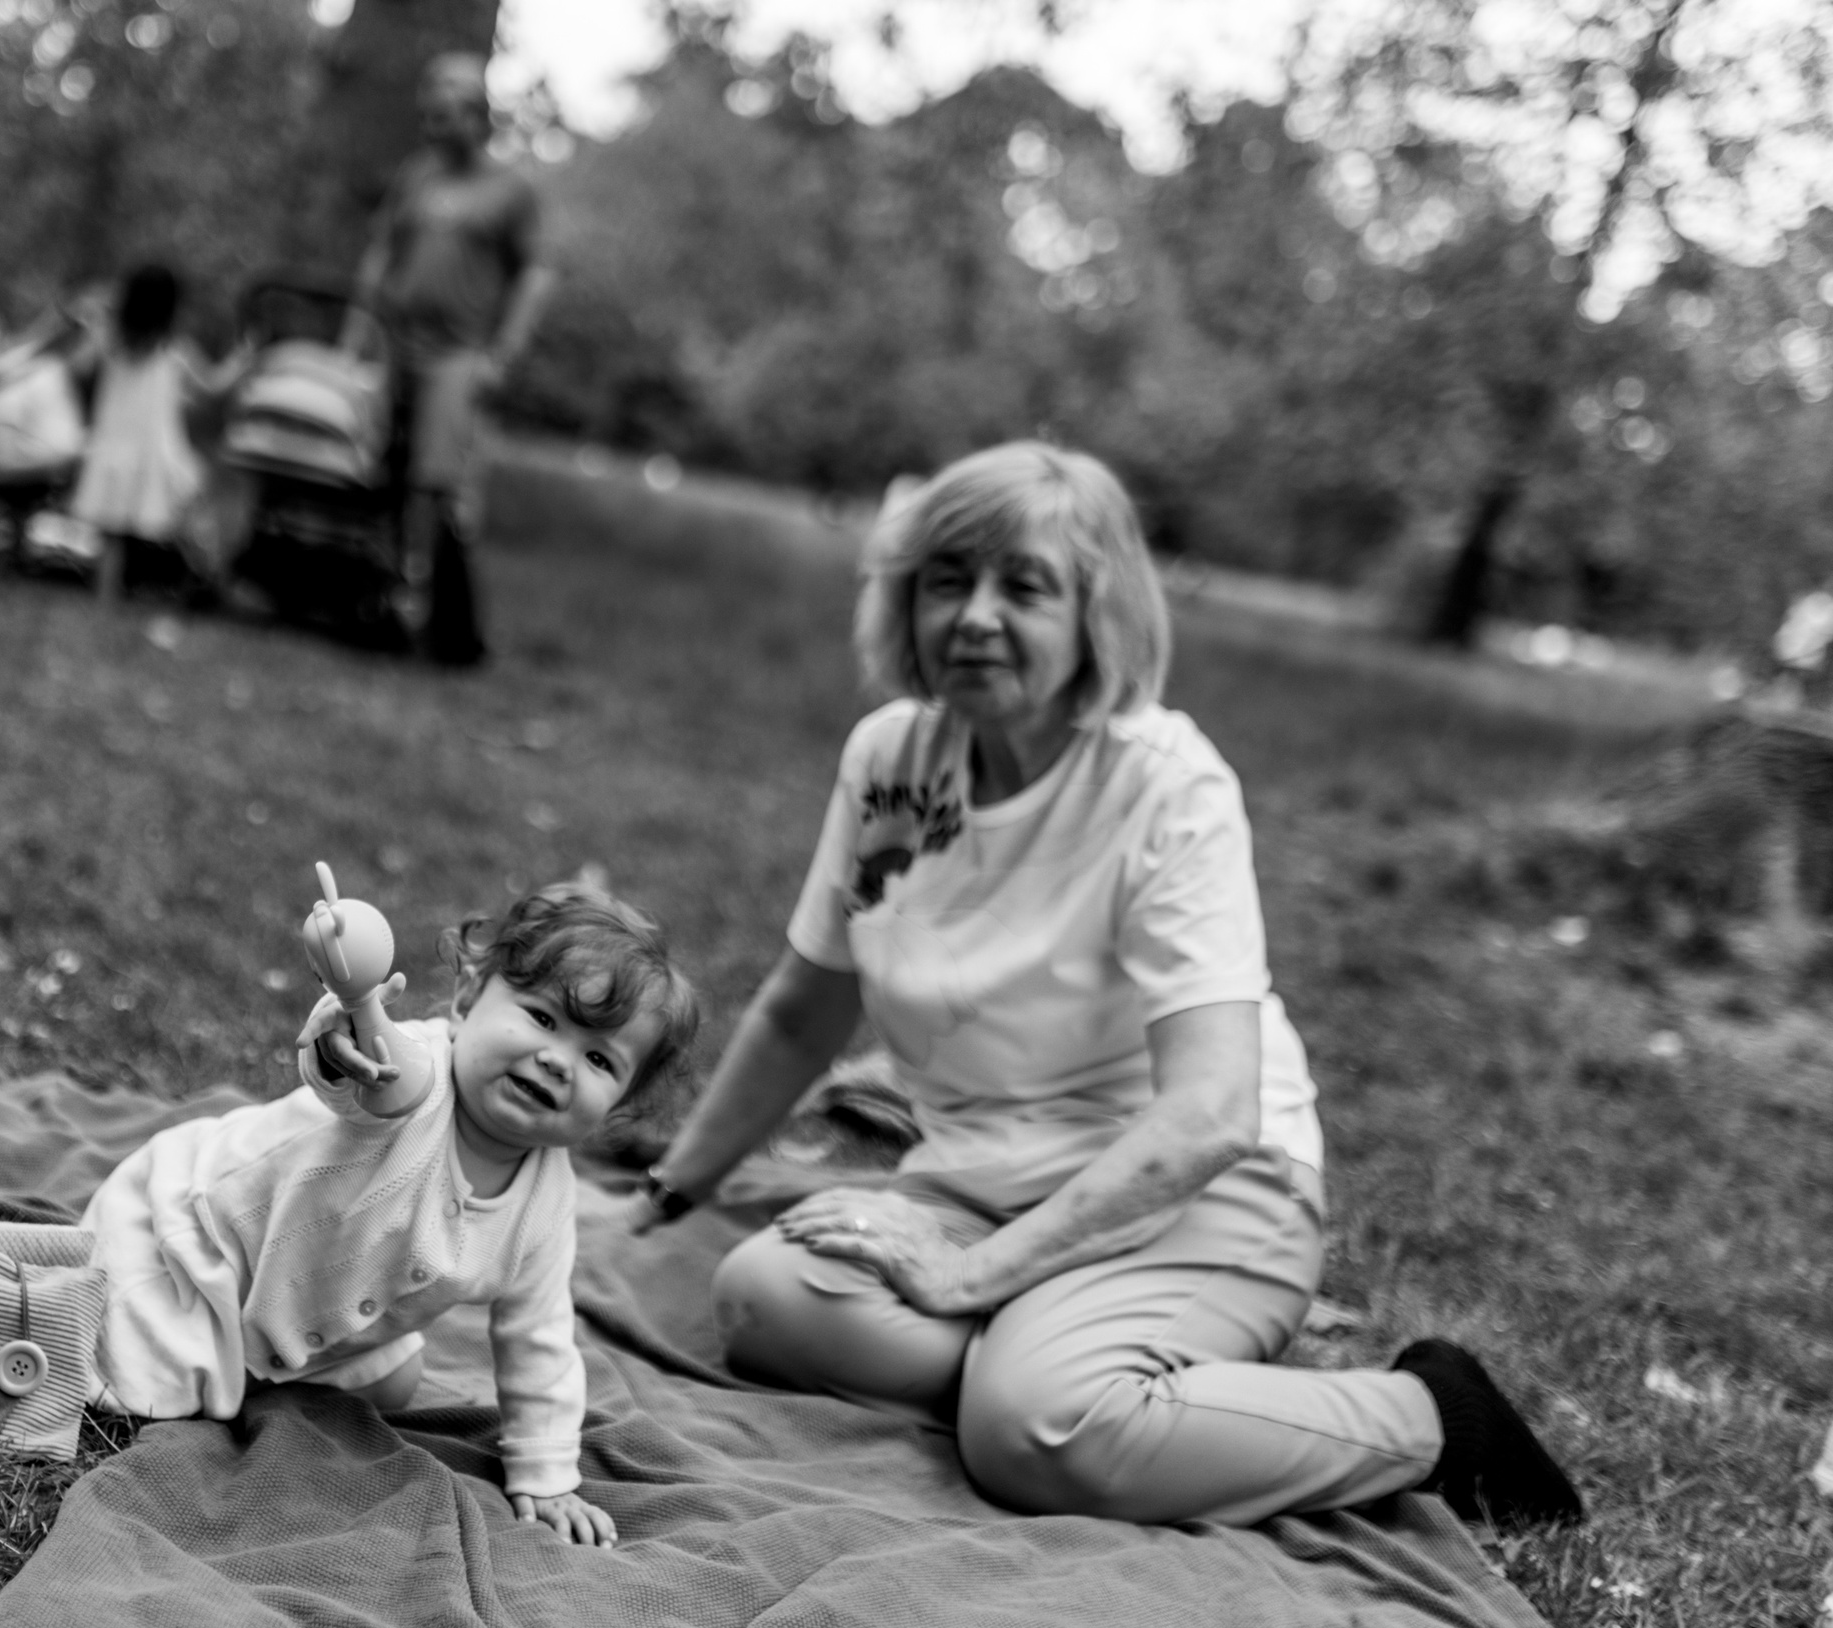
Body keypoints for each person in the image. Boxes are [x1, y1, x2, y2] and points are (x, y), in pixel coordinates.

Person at [629, 442, 1584, 1531]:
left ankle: (1430, 1416)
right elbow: (808, 1003)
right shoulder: (889, 755)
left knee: (1034, 1430)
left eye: (1023, 586)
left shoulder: (1166, 787)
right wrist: (670, 1188)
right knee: (763, 1298)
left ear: (1097, 614)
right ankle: (1078, 1363)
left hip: (1200, 1193)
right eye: (948, 580)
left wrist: (969, 1274)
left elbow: (1208, 1115)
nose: (976, 615)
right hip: (983, 1175)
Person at [80, 883, 701, 1547]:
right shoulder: (415, 1078)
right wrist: (354, 1023)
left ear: (618, 1105)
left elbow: (539, 1338)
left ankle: (255, 1366)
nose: (558, 1059)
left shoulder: (546, 1205)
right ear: (466, 1000)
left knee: (395, 1381)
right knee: (133, 1389)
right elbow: (373, 1070)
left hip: (307, 1309)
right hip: (193, 1243)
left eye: (600, 1059)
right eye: (543, 1019)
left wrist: (547, 1475)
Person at [349, 51, 557, 666]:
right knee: (376, 469)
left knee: (436, 486)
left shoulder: (510, 191)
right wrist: (353, 338)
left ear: (478, 115)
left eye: (447, 116)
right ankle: (377, 603)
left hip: (458, 355)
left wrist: (502, 356)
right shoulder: (417, 177)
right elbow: (380, 254)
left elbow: (537, 277)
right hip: (397, 345)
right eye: (428, 117)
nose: (435, 128)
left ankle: (443, 624)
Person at [69, 262, 252, 604]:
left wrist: (92, 320)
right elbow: (213, 387)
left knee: (112, 536)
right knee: (186, 522)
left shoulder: (110, 341)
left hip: (113, 449)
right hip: (158, 452)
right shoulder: (174, 350)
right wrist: (242, 360)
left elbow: (78, 366)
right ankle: (212, 585)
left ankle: (105, 598)